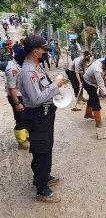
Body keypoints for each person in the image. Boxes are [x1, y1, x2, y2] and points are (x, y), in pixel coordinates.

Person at [18, 34, 65, 203]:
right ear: (35, 51)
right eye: (44, 50)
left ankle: (44, 176)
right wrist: (55, 85)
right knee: (41, 150)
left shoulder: (36, 66)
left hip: (45, 114)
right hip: (37, 116)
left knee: (47, 146)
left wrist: (53, 83)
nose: (45, 53)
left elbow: (42, 87)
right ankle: (41, 188)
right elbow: (36, 98)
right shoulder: (28, 71)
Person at [4, 49, 29, 149]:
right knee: (20, 118)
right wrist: (17, 103)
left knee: (26, 116)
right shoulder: (12, 69)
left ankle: (26, 135)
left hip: (22, 94)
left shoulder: (19, 65)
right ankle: (21, 141)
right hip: (16, 96)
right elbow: (12, 88)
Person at [83, 57, 106, 127]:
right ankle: (98, 122)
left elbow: (103, 80)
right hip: (88, 83)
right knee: (96, 101)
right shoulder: (97, 70)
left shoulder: (103, 60)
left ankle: (87, 114)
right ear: (105, 64)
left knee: (92, 97)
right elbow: (101, 85)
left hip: (94, 82)